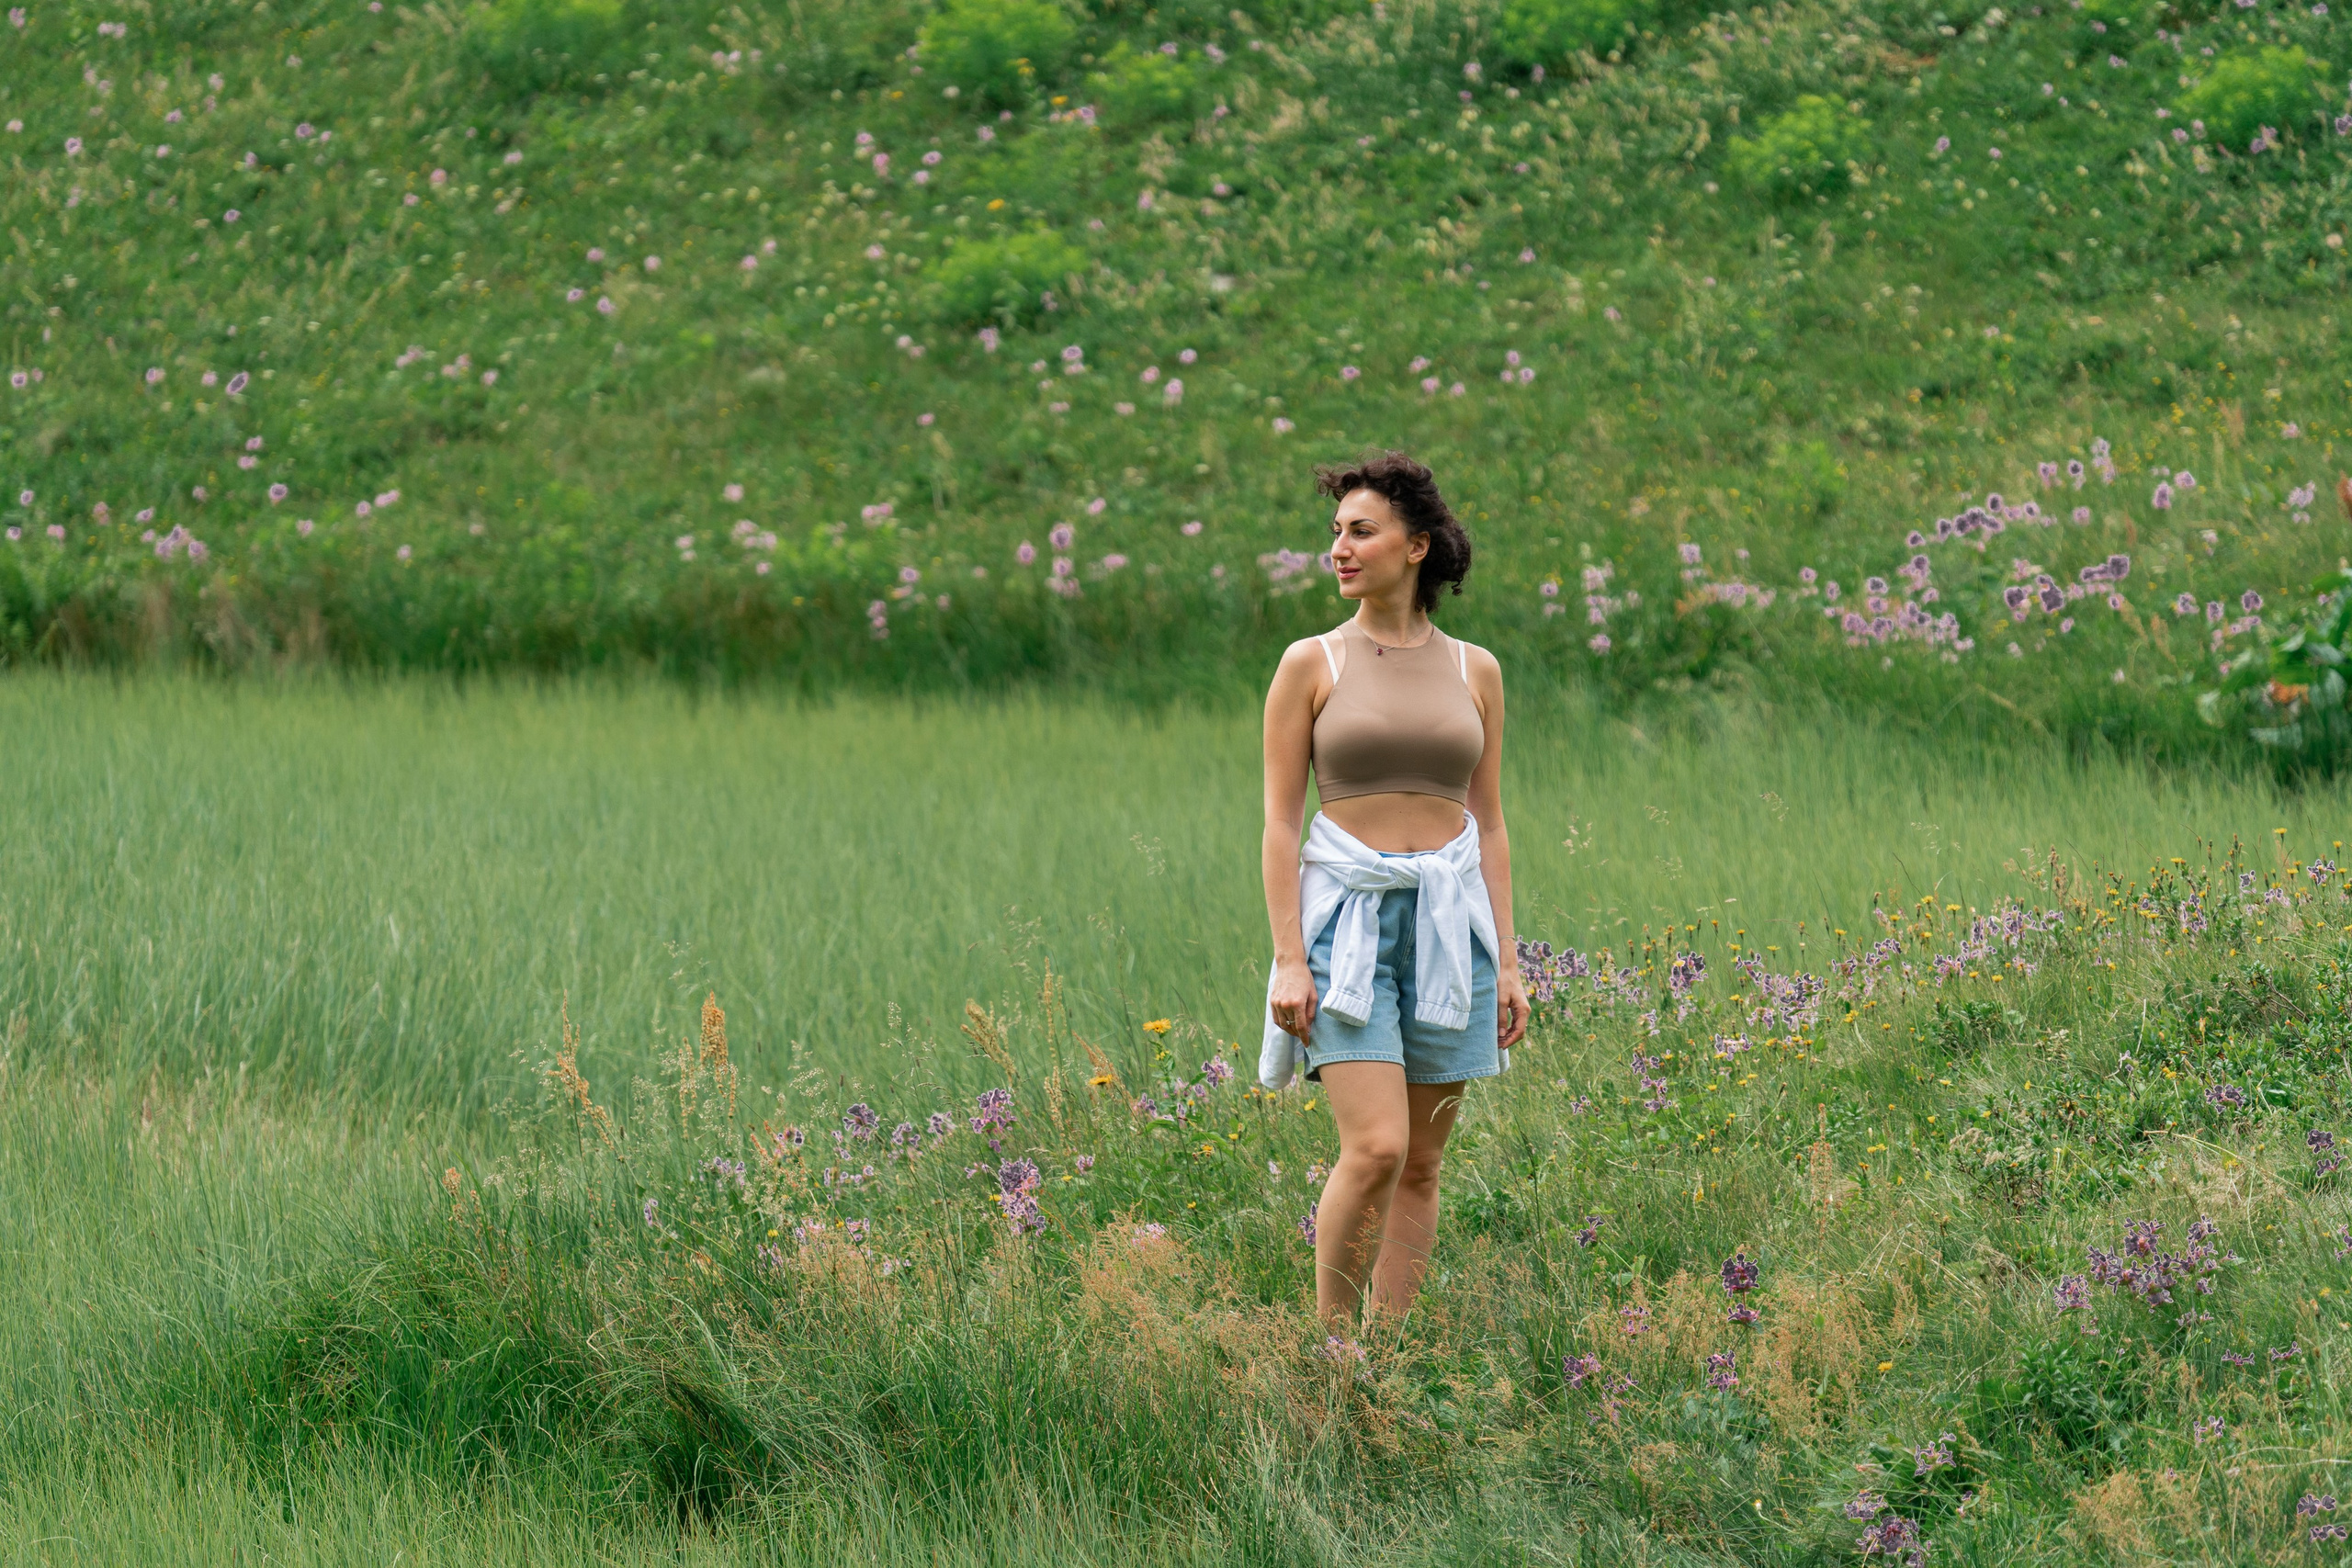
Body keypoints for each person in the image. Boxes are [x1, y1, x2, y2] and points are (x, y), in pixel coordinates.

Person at [1259, 449, 1529, 1326]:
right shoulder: (1311, 663)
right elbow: (1278, 823)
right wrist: (1289, 959)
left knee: (1421, 1164)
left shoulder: (1474, 671)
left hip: (1453, 928)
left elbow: (1488, 825)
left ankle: (1392, 1357)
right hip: (1348, 926)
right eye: (1335, 532)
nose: (1338, 548)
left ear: (1416, 547)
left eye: (1360, 531)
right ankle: (1331, 1352)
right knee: (1375, 1146)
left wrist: (1513, 964)